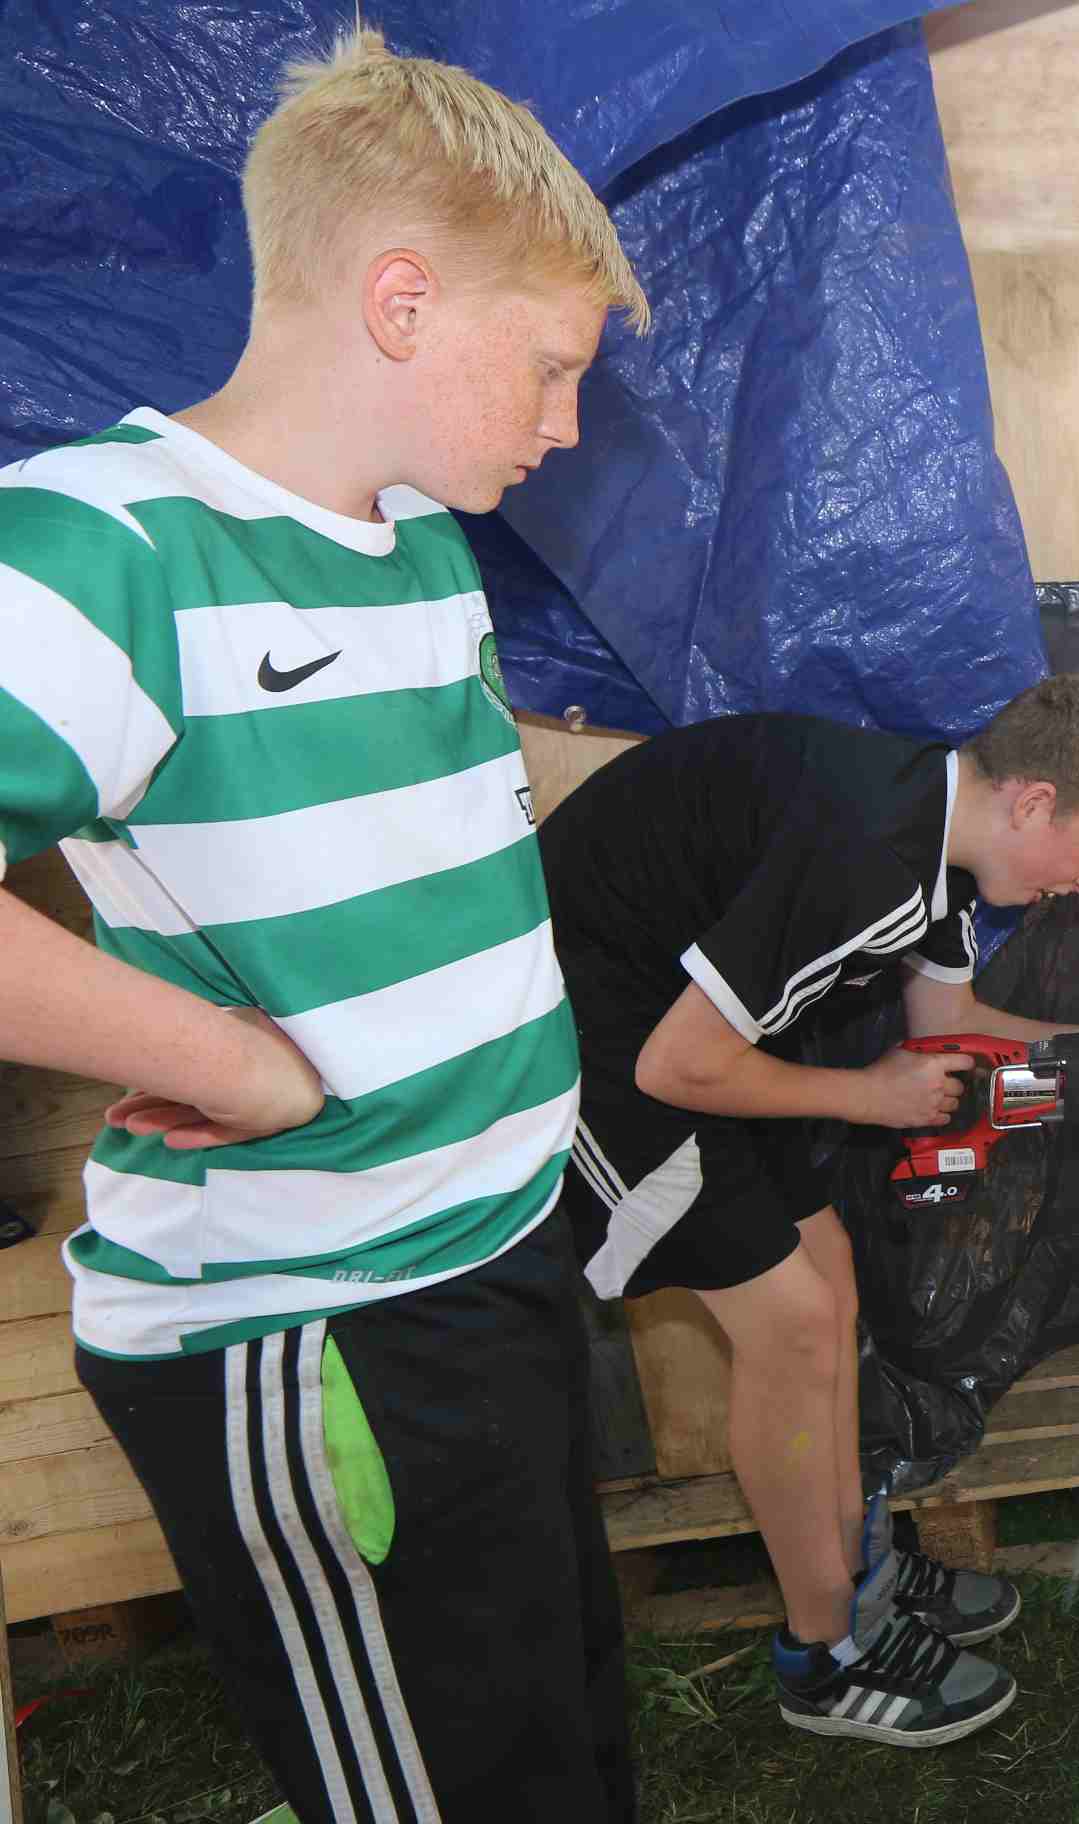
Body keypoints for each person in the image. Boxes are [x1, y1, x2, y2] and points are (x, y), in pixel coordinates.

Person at [0, 31, 648, 1820]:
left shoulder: (421, 542)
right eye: (551, 366)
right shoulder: (103, 546)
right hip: (324, 1318)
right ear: (400, 301)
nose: (565, 423)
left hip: (492, 1252)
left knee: (560, 1742)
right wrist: (226, 1061)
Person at [537, 672, 1079, 1749]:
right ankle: (824, 1657)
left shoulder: (936, 842)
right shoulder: (869, 859)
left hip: (685, 1033)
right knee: (792, 1323)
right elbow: (675, 1067)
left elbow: (951, 1021)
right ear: (1031, 802)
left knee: (831, 1278)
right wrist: (866, 1095)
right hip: (591, 1044)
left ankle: (855, 1578)